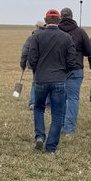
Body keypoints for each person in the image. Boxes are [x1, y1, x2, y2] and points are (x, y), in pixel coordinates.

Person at [27, 9, 75, 153]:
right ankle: (51, 146)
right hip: (59, 79)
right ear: (59, 20)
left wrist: (38, 71)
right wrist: (63, 71)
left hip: (41, 79)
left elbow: (32, 60)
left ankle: (40, 136)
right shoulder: (67, 38)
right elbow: (72, 62)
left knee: (39, 108)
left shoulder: (37, 37)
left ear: (46, 20)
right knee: (57, 113)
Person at [57, 7, 91, 135]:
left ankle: (59, 126)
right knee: (72, 98)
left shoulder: (56, 31)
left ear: (61, 17)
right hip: (76, 69)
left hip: (58, 70)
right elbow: (89, 52)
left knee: (60, 98)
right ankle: (69, 129)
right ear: (72, 17)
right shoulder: (80, 32)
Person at [19, 20, 44, 108]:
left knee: (35, 82)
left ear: (37, 27)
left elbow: (25, 52)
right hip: (47, 64)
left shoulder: (31, 38)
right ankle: (47, 103)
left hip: (34, 64)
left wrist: (23, 64)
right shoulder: (49, 37)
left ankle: (33, 103)